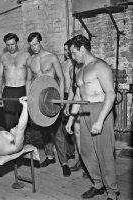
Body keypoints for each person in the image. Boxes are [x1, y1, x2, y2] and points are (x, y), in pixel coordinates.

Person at [66, 34, 119, 200]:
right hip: (84, 111)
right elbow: (77, 97)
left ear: (82, 49)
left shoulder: (101, 66)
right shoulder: (78, 68)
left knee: (104, 153)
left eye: (73, 53)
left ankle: (112, 191)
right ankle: (98, 184)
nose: (72, 57)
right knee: (87, 152)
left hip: (100, 110)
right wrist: (71, 118)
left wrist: (101, 119)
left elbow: (111, 94)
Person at [26, 32, 71, 177]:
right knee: (43, 130)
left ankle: (64, 163)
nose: (33, 47)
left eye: (35, 44)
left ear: (40, 41)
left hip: (52, 97)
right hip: (38, 99)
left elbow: (61, 78)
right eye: (31, 45)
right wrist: (29, 99)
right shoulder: (30, 61)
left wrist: (62, 99)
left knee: (57, 132)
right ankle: (50, 156)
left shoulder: (51, 57)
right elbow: (28, 81)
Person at [63, 40, 88, 178]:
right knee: (77, 133)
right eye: (66, 51)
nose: (68, 53)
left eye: (70, 51)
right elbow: (73, 91)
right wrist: (68, 105)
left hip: (88, 106)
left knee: (87, 136)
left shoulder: (87, 65)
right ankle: (81, 161)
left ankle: (89, 165)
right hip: (76, 103)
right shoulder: (73, 68)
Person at [0, 33, 30, 131]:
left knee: (24, 120)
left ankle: (23, 142)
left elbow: (30, 76)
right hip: (8, 91)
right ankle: (11, 143)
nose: (10, 47)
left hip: (22, 90)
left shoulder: (26, 55)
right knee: (9, 122)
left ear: (17, 43)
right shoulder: (3, 57)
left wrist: (30, 93)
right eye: (8, 45)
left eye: (12, 44)